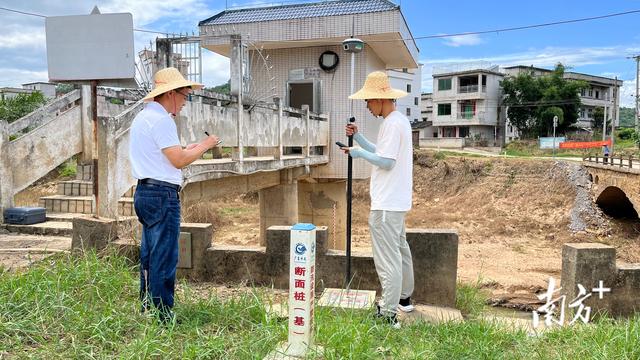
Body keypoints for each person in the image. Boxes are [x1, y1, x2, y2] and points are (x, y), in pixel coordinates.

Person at [129, 67, 219, 322]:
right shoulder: (163, 120)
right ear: (170, 94)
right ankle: (162, 315)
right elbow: (178, 160)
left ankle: (147, 307)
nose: (184, 101)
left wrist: (189, 148)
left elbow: (165, 155)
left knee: (149, 255)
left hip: (145, 191)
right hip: (162, 195)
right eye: (184, 95)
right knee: (165, 257)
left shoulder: (143, 117)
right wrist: (205, 144)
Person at [341, 71, 415, 328]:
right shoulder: (399, 121)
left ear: (380, 99)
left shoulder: (392, 124)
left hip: (385, 205)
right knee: (400, 251)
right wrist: (358, 140)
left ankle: (389, 313)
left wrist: (359, 153)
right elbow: (382, 151)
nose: (368, 107)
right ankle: (404, 298)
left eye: (368, 102)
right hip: (397, 202)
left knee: (387, 259)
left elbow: (385, 161)